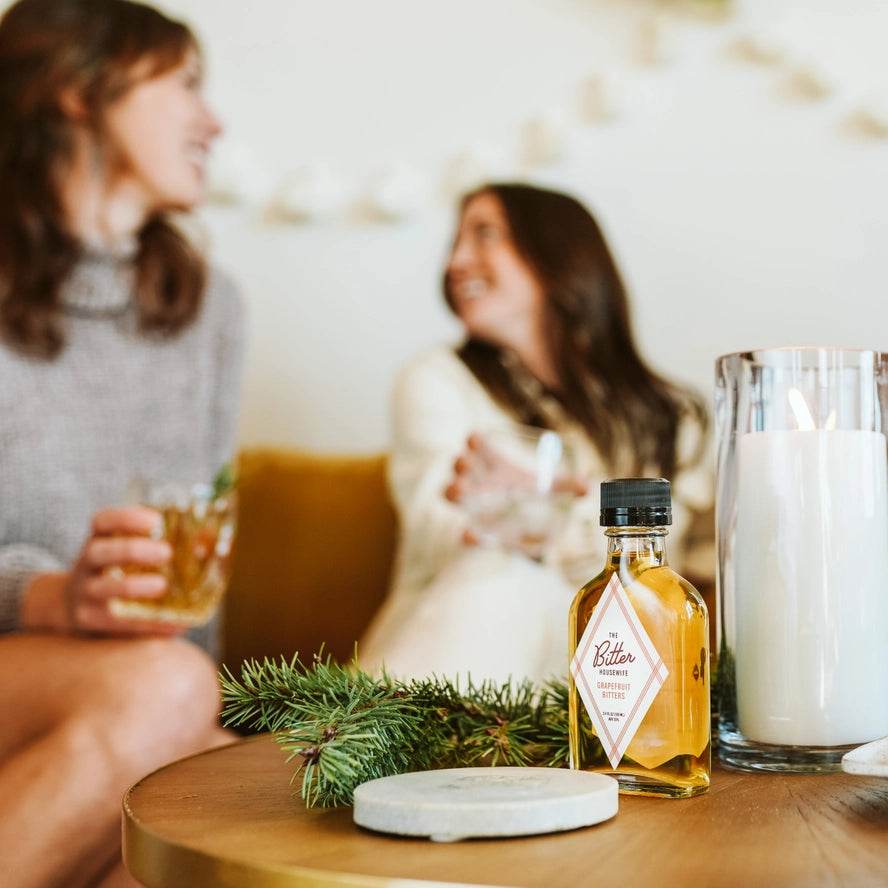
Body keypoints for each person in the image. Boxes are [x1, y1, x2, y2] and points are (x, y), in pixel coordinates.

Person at [0, 1, 245, 885]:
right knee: (170, 696)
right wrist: (51, 597)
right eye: (186, 85)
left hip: (137, 698)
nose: (213, 122)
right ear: (78, 89)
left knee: (240, 796)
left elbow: (198, 574)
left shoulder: (210, 309)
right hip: (78, 678)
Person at [360, 183, 713, 685]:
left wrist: (545, 509)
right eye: (455, 243)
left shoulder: (673, 418)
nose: (456, 262)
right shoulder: (437, 380)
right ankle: (380, 725)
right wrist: (538, 521)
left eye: (484, 235)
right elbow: (439, 525)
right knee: (502, 578)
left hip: (616, 665)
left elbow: (678, 570)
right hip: (462, 636)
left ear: (557, 253)